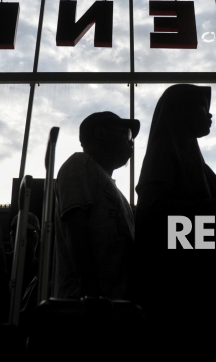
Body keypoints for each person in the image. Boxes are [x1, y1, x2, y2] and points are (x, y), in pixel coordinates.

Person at [135, 84, 216, 357]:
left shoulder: (188, 155)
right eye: (201, 108)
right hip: (180, 291)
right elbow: (153, 212)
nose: (209, 115)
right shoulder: (165, 151)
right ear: (182, 110)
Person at [53, 111, 139, 300]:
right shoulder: (79, 164)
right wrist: (91, 293)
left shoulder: (118, 193)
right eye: (127, 134)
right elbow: (76, 225)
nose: (132, 142)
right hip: (87, 308)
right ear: (101, 133)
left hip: (115, 307)